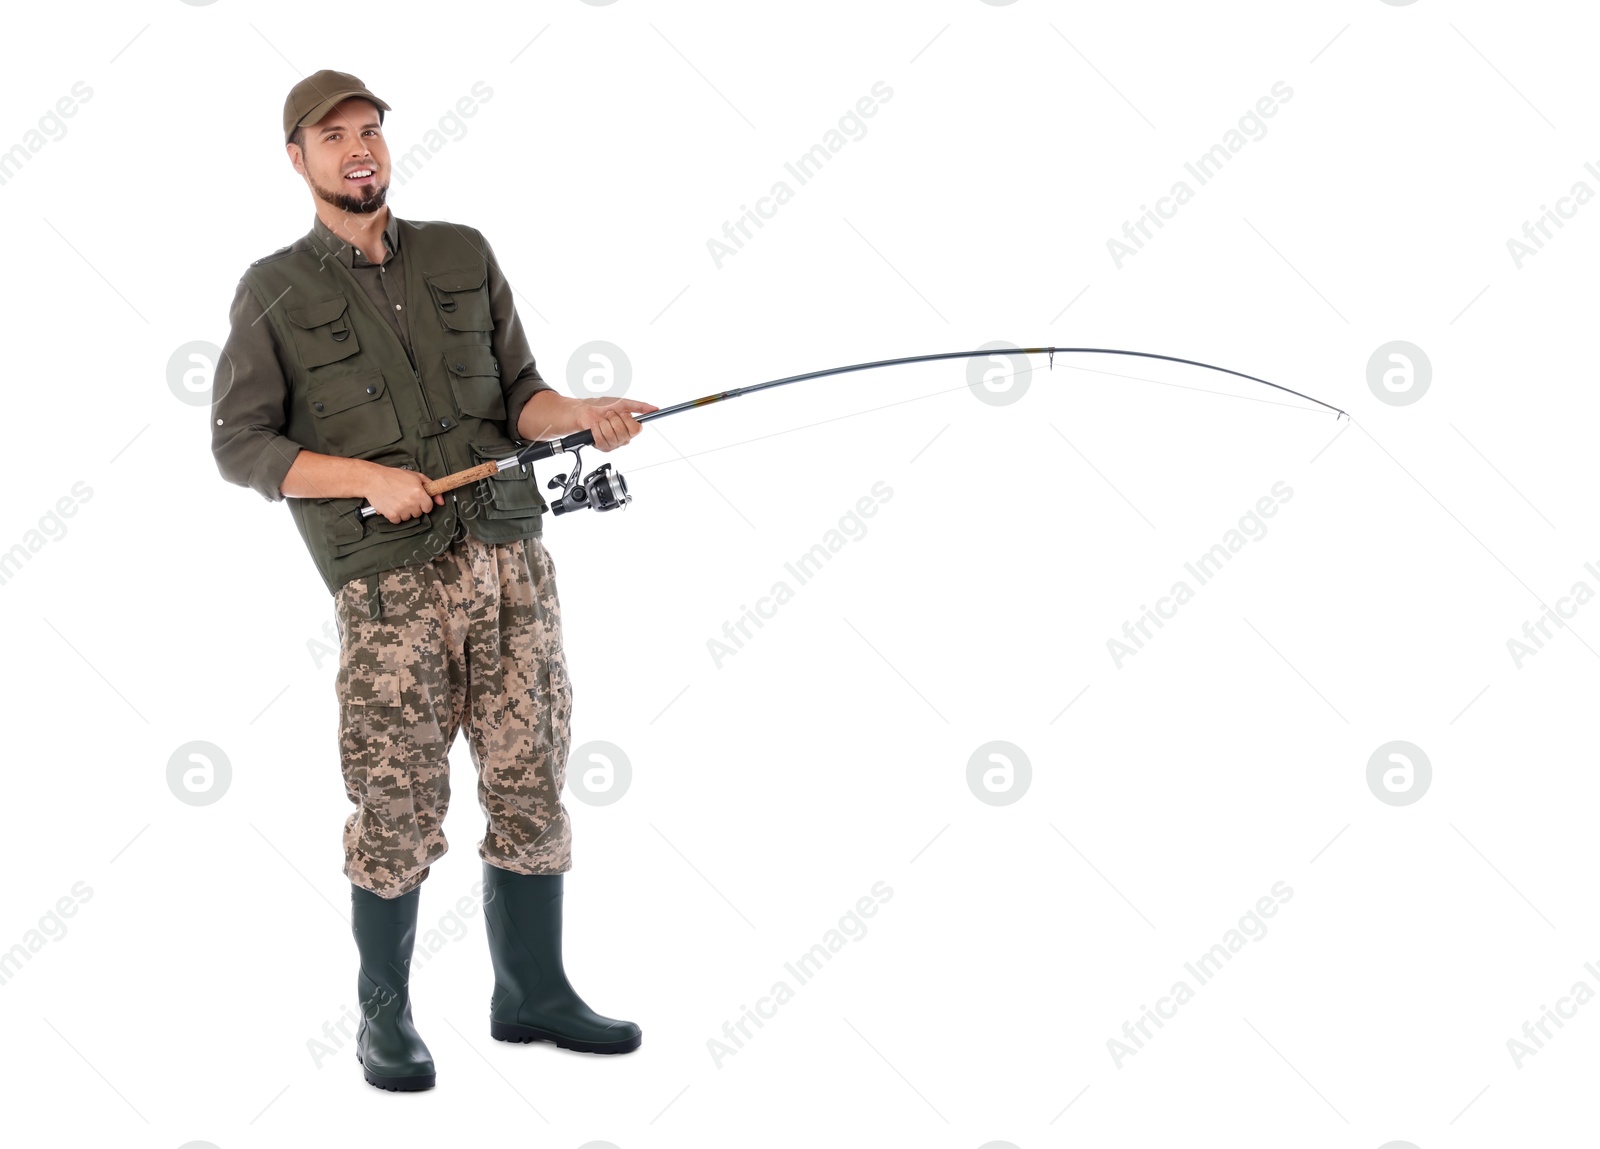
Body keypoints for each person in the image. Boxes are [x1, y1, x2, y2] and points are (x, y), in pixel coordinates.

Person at [211, 69, 656, 1091]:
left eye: (370, 131)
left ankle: (532, 995)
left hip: (511, 558)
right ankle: (384, 1020)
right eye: (334, 137)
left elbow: (523, 396)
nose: (359, 149)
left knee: (532, 778)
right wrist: (365, 477)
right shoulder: (272, 288)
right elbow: (240, 445)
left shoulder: (463, 252)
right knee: (396, 799)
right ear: (298, 158)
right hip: (389, 587)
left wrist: (581, 414)